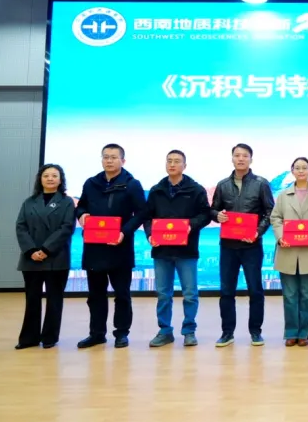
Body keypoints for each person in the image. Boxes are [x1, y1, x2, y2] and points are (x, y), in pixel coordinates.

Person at [74, 144, 147, 349]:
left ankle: (121, 333)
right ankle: (97, 334)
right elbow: (81, 205)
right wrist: (82, 215)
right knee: (95, 295)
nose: (109, 160)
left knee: (122, 294)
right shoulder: (91, 183)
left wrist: (124, 232)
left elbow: (142, 213)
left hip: (120, 247)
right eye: (105, 157)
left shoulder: (132, 184)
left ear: (123, 161)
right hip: (94, 247)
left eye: (114, 157)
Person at [142, 150, 212, 348]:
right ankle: (165, 331)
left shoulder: (195, 190)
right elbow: (147, 217)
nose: (172, 164)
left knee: (190, 293)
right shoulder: (156, 190)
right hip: (161, 250)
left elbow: (205, 215)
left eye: (177, 161)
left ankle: (189, 331)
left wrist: (191, 225)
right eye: (169, 161)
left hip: (186, 250)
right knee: (163, 294)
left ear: (184, 166)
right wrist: (150, 234)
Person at [210, 143, 275, 348]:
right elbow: (213, 210)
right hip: (228, 246)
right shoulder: (222, 185)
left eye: (244, 156)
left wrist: (258, 232)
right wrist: (217, 215)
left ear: (250, 159)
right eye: (237, 155)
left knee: (255, 290)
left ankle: (255, 332)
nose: (240, 159)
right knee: (226, 291)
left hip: (251, 246)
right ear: (232, 159)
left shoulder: (261, 184)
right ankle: (227, 332)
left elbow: (270, 212)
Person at [14, 164, 76, 350]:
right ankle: (29, 338)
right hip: (31, 257)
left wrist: (46, 249)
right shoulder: (29, 202)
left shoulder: (67, 202)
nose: (50, 179)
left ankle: (50, 337)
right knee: (32, 299)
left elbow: (67, 228)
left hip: (56, 257)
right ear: (40, 179)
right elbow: (21, 227)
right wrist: (31, 250)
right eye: (46, 175)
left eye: (54, 175)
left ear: (60, 180)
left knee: (54, 299)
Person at [270, 157, 308, 347]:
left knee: (307, 296)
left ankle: (304, 333)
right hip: (287, 251)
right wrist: (280, 237)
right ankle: (290, 332)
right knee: (289, 296)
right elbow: (275, 218)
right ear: (292, 171)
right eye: (297, 168)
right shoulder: (283, 195)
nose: (301, 170)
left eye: (304, 167)